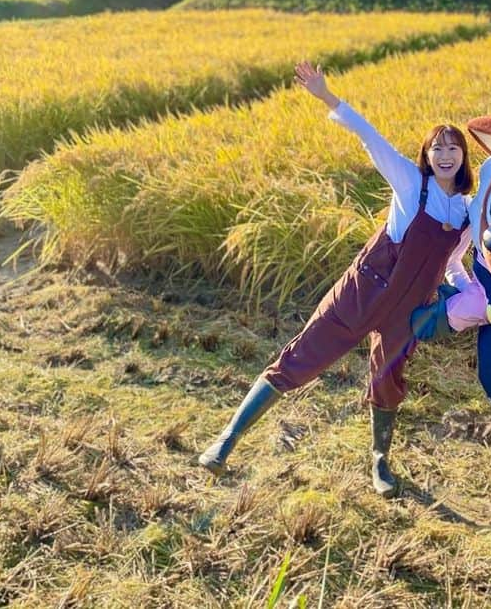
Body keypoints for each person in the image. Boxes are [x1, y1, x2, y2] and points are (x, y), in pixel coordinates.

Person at [198, 60, 474, 496]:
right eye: (437, 148)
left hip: (408, 310)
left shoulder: (466, 212)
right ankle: (226, 441)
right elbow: (370, 136)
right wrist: (326, 95)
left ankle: (380, 461)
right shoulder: (408, 181)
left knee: (389, 379)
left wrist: (471, 297)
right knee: (301, 357)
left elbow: (455, 264)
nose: (444, 155)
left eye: (453, 148)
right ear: (426, 155)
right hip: (363, 292)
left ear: (463, 158)